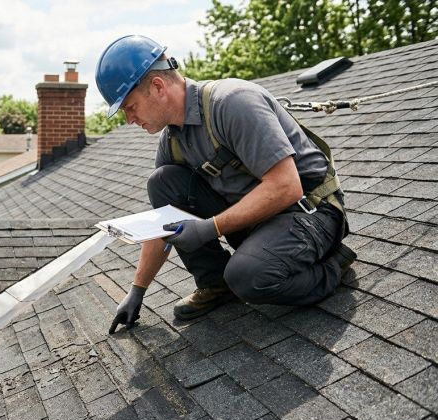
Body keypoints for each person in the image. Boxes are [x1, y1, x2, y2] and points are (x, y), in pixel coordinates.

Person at [96, 35, 357, 334]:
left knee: (250, 277)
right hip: (260, 221)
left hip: (310, 213)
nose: (129, 119)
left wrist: (209, 229)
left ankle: (332, 265)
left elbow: (287, 186)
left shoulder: (232, 103)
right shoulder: (173, 141)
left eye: (130, 107)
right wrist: (137, 290)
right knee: (163, 182)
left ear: (157, 86)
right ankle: (215, 284)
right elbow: (162, 225)